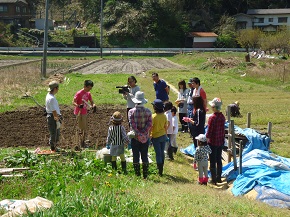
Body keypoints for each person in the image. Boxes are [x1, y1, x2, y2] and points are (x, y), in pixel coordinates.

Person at [128, 91, 152, 179]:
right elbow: (149, 124)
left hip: (135, 137)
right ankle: (145, 175)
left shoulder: (131, 112)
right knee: (144, 155)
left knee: (135, 155)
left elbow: (132, 125)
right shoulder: (148, 111)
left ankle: (137, 174)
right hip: (145, 137)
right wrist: (143, 133)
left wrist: (138, 134)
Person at [206, 97, 226, 185]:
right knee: (219, 160)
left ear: (214, 107)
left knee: (212, 160)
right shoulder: (222, 117)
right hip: (220, 141)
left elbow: (209, 131)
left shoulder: (212, 118)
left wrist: (205, 140)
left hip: (212, 142)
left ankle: (213, 179)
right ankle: (219, 178)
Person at [73, 80, 96, 148]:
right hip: (78, 113)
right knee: (80, 128)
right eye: (88, 88)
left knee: (84, 128)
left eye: (90, 88)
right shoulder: (79, 93)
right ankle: (78, 142)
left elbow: (91, 101)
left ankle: (83, 142)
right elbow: (73, 102)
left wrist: (94, 105)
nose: (89, 89)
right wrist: (78, 105)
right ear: (84, 86)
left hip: (84, 113)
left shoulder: (88, 93)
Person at [184, 96, 206, 170]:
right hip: (197, 131)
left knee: (198, 148)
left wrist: (190, 121)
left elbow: (197, 123)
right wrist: (190, 119)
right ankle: (197, 164)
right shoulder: (200, 110)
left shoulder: (199, 111)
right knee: (197, 148)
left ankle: (198, 164)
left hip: (198, 132)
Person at [150, 99, 168, 176]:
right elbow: (165, 126)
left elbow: (151, 127)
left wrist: (149, 135)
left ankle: (159, 170)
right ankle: (162, 168)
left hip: (156, 136)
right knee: (162, 152)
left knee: (158, 153)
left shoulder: (153, 117)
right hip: (163, 135)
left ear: (155, 108)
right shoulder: (164, 116)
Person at [45, 80, 61, 152]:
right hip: (53, 117)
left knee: (55, 133)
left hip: (52, 116)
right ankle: (53, 149)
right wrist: (57, 120)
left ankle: (54, 147)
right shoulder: (51, 98)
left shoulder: (49, 96)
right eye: (57, 88)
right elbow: (54, 111)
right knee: (54, 134)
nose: (58, 90)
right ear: (55, 88)